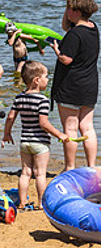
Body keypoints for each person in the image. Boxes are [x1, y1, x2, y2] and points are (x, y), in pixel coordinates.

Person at [2, 61, 68, 209]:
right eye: (46, 77)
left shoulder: (19, 98)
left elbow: (11, 117)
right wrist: (60, 134)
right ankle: (40, 203)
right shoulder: (43, 100)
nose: (48, 79)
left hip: (25, 141)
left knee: (25, 173)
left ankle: (23, 202)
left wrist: (7, 133)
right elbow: (44, 123)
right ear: (37, 80)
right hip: (40, 142)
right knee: (40, 173)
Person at [50, 0, 100, 171]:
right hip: (90, 84)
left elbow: (66, 59)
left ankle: (69, 167)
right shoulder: (93, 28)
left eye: (69, 8)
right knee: (88, 128)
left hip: (71, 85)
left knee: (70, 128)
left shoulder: (74, 35)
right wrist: (67, 8)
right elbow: (66, 26)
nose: (67, 11)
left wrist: (57, 50)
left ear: (77, 12)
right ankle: (91, 166)